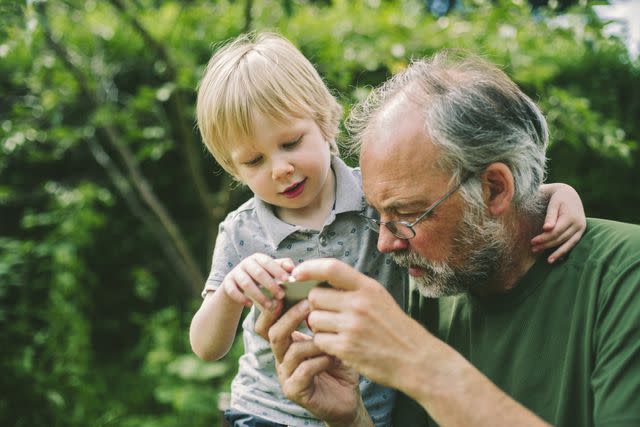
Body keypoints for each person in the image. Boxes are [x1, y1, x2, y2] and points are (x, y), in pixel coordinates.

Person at [190, 34, 586, 427]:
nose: (280, 168)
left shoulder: (376, 197)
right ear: (233, 168)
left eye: (291, 142)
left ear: (324, 120)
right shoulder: (242, 231)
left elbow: (476, 196)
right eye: (254, 161)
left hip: (371, 414)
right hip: (266, 414)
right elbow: (207, 347)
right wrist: (230, 294)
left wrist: (556, 194)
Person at [260, 50, 640, 427]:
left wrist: (418, 362)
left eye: (407, 215)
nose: (385, 245)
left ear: (494, 189)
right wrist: (349, 417)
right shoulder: (433, 285)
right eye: (379, 217)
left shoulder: (625, 276)